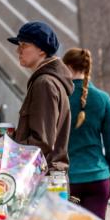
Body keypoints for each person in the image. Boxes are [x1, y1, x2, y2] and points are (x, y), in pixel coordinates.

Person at [61, 48, 110, 219]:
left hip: (69, 181)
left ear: (68, 66)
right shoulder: (103, 99)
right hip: (98, 178)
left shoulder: (60, 98)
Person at [8, 21, 74, 173]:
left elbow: (42, 141)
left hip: (43, 180)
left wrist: (9, 154)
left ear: (41, 50)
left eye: (23, 45)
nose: (18, 50)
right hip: (48, 177)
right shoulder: (47, 81)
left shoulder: (44, 83)